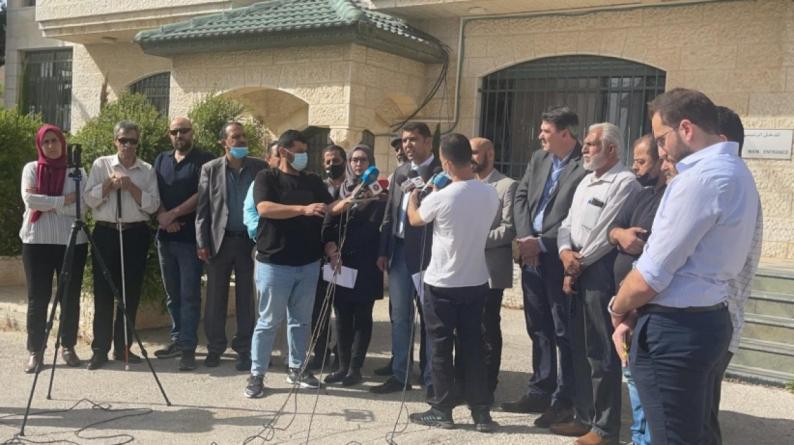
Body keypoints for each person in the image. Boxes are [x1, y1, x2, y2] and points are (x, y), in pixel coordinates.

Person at [610, 88, 759, 445]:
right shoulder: (737, 171)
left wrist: (617, 308)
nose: (661, 151)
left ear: (686, 129)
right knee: (696, 434)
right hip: (708, 318)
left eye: (662, 139)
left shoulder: (698, 180)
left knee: (673, 437)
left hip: (676, 330)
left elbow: (650, 276)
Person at [553, 122, 640, 445]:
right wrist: (565, 253)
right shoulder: (586, 181)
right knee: (578, 346)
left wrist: (577, 264)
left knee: (601, 352)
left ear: (611, 149)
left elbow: (606, 231)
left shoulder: (624, 182)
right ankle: (584, 416)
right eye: (586, 143)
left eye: (591, 144)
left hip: (598, 271)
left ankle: (605, 428)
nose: (585, 149)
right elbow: (566, 224)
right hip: (575, 267)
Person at [405, 133, 499, 432]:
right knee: (473, 346)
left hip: (443, 282)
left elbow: (416, 220)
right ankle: (481, 412)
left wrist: (412, 199)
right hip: (476, 279)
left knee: (440, 347)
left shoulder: (442, 196)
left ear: (445, 162)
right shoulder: (490, 193)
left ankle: (442, 408)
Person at [506, 106, 587, 428]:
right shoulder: (539, 159)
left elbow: (577, 219)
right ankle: (540, 389)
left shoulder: (584, 166)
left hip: (559, 258)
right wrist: (527, 238)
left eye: (546, 131)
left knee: (563, 330)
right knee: (537, 326)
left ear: (565, 134)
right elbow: (521, 196)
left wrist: (541, 244)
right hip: (531, 256)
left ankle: (563, 400)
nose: (540, 136)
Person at [245, 129, 336, 398]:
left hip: (308, 263)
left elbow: (330, 207)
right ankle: (257, 374)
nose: (304, 156)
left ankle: (297, 368)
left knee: (301, 321)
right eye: (299, 151)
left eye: (305, 151)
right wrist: (303, 209)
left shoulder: (312, 181)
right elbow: (264, 208)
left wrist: (356, 198)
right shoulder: (267, 177)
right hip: (274, 263)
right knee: (268, 322)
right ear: (284, 152)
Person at [704, 106, 763, 445]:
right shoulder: (738, 183)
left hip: (714, 318)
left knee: (699, 420)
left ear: (721, 141)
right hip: (718, 319)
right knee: (701, 416)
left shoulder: (728, 186)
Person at [84, 120, 160, 370]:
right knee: (104, 292)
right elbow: (89, 199)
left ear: (138, 143)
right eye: (123, 140)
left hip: (135, 233)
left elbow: (153, 205)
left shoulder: (146, 170)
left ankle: (123, 347)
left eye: (132, 141)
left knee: (130, 292)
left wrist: (132, 187)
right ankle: (100, 349)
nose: (127, 145)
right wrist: (108, 184)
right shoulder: (101, 164)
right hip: (106, 232)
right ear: (115, 141)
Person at [373, 122, 440, 394]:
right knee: (400, 316)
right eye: (404, 140)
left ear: (428, 142)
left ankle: (431, 377)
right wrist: (383, 250)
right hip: (399, 252)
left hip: (428, 254)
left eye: (413, 139)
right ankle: (400, 375)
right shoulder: (400, 172)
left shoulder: (440, 173)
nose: (407, 145)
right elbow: (389, 213)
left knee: (429, 317)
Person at [606, 134, 664, 445]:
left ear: (661, 159)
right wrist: (621, 234)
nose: (635, 167)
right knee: (631, 375)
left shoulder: (671, 199)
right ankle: (638, 437)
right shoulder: (641, 195)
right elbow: (612, 227)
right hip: (624, 302)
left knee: (646, 381)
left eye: (642, 161)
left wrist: (628, 309)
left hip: (644, 304)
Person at [196, 122, 267, 371]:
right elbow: (203, 209)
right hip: (220, 242)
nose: (241, 140)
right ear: (223, 142)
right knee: (215, 299)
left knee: (246, 298)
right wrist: (202, 242)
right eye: (235, 137)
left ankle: (244, 349)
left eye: (243, 136)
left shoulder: (259, 167)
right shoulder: (211, 169)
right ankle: (215, 348)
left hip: (249, 243)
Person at [20, 124, 88, 372]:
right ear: (40, 145)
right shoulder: (31, 169)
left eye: (54, 141)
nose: (51, 146)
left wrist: (48, 203)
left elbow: (82, 206)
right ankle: (36, 351)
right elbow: (30, 200)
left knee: (70, 298)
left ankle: (68, 346)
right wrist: (63, 201)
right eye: (46, 142)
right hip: (37, 242)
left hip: (72, 242)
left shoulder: (77, 172)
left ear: (63, 143)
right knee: (38, 298)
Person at [321, 145, 387, 386]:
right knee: (341, 314)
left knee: (362, 315)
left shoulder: (378, 192)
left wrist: (365, 200)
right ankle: (342, 365)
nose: (358, 164)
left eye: (363, 160)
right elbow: (329, 220)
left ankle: (355, 368)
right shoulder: (340, 190)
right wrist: (331, 248)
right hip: (340, 261)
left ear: (371, 162)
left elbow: (373, 226)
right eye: (354, 160)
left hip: (366, 261)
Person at [152, 117, 214, 371]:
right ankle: (177, 339)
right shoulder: (161, 159)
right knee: (172, 295)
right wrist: (162, 216)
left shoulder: (204, 160)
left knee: (189, 295)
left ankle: (188, 348)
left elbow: (203, 194)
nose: (179, 135)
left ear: (192, 132)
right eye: (175, 131)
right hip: (165, 237)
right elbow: (153, 190)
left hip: (190, 239)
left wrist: (174, 214)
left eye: (184, 131)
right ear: (169, 135)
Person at [467, 137, 517, 397]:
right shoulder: (464, 185)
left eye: (475, 152)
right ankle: (466, 381)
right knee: (467, 328)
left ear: (490, 155)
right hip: (465, 269)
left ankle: (487, 386)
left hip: (490, 270)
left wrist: (475, 239)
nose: (470, 157)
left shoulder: (507, 186)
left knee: (487, 326)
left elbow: (508, 229)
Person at [307, 144, 347, 370]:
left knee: (343, 310)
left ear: (344, 161)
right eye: (328, 161)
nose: (332, 165)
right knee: (319, 310)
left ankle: (341, 356)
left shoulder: (353, 188)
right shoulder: (318, 187)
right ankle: (320, 354)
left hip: (346, 255)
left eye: (336, 161)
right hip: (321, 254)